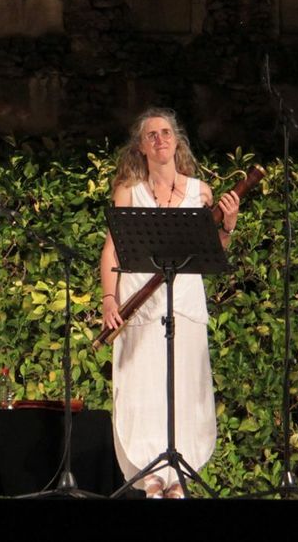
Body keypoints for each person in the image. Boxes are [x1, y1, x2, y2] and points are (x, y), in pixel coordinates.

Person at [99, 108, 238, 499]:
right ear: (141, 147)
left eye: (165, 133)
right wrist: (110, 298)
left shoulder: (201, 192)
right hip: (140, 305)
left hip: (185, 304)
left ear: (176, 141)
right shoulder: (129, 190)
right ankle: (152, 477)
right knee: (143, 389)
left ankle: (178, 479)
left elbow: (215, 253)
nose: (160, 140)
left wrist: (228, 225)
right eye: (151, 135)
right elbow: (112, 248)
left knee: (184, 389)